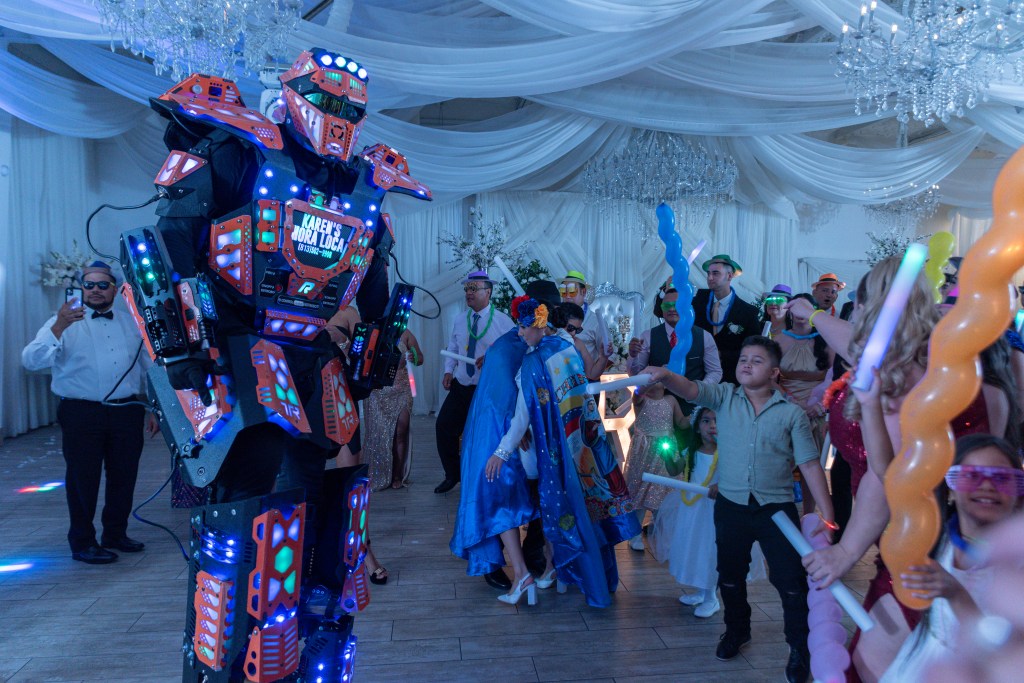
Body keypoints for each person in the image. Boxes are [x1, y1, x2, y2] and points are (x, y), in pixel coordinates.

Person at [643, 335, 835, 683]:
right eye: (744, 358)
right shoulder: (725, 397)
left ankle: (799, 648)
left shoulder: (791, 414)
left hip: (776, 510)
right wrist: (666, 375)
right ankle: (736, 630)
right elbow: (691, 389)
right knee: (730, 576)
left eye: (757, 360)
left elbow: (809, 465)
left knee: (790, 582)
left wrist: (828, 514)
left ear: (774, 372)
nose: (746, 364)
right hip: (730, 506)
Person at [492, 297, 639, 607]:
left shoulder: (533, 361)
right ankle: (593, 578)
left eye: (523, 327)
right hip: (584, 442)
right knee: (589, 510)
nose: (519, 333)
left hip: (555, 451)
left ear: (537, 325)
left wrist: (501, 452)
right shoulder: (565, 348)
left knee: (564, 511)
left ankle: (573, 576)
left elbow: (522, 416)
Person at [21, 261, 158, 564]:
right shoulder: (60, 322)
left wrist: (156, 408)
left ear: (115, 290)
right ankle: (83, 542)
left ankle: (115, 533)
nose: (95, 290)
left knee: (124, 474)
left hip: (127, 409)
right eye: (89, 285)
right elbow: (30, 360)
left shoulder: (131, 323)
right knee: (83, 478)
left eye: (102, 285)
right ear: (80, 288)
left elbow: (151, 368)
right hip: (80, 412)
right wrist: (59, 326)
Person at [880, 434, 1023, 682]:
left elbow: (1007, 654)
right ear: (950, 490)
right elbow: (886, 472)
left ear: (1018, 494)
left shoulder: (1015, 559)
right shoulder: (936, 540)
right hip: (924, 662)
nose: (987, 486)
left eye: (1002, 478)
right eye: (971, 476)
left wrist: (957, 594)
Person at [435, 270, 514, 494]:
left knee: (481, 436)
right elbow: (453, 347)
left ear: (488, 292)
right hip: (461, 385)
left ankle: (482, 481)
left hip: (486, 389)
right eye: (466, 289)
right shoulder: (461, 319)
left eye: (473, 288)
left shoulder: (503, 321)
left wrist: (491, 358)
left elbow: (513, 351)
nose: (468, 293)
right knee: (444, 427)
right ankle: (453, 475)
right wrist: (448, 370)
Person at [650, 407, 721, 617]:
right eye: (706, 421)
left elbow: (735, 476)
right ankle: (701, 592)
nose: (712, 426)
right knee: (695, 547)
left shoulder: (727, 452)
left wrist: (720, 485)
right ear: (697, 428)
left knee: (709, 550)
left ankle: (711, 598)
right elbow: (675, 470)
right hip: (692, 508)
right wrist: (666, 455)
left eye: (716, 421)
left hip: (714, 510)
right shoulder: (692, 451)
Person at [627, 281, 723, 413]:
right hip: (658, 408)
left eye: (677, 305)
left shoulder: (704, 336)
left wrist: (699, 391)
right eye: (667, 305)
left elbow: (715, 371)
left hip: (694, 408)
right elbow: (635, 375)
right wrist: (633, 356)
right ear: (662, 308)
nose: (671, 309)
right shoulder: (647, 336)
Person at [620, 380, 690, 551]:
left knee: (665, 489)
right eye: (650, 378)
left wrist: (694, 417)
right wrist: (642, 383)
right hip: (645, 452)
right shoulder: (641, 399)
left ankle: (663, 532)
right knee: (640, 489)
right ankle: (635, 534)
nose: (654, 381)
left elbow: (681, 421)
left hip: (666, 450)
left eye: (658, 379)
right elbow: (637, 395)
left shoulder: (671, 401)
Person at [362, 328, 423, 490]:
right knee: (380, 433)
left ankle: (397, 475)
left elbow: (420, 358)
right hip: (378, 391)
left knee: (401, 431)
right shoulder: (373, 330)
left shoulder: (406, 334)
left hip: (402, 388)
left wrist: (413, 357)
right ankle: (381, 473)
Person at [691, 254, 761, 384]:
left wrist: (722, 355)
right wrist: (665, 289)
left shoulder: (747, 312)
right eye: (708, 273)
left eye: (715, 273)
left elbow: (753, 348)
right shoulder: (697, 300)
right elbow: (663, 311)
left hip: (730, 378)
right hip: (697, 376)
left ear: (729, 276)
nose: (710, 278)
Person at [559, 270, 610, 377]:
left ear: (583, 292)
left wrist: (591, 376)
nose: (567, 296)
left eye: (572, 291)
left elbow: (608, 354)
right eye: (563, 291)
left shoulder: (596, 321)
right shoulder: (554, 317)